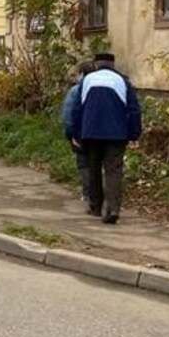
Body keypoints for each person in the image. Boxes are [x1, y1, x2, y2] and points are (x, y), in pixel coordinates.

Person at [66, 52, 141, 225]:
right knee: (113, 170)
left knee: (94, 169)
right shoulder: (123, 81)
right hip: (116, 134)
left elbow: (77, 109)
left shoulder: (87, 80)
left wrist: (75, 134)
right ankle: (113, 208)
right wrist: (134, 134)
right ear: (112, 65)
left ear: (96, 64)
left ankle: (95, 206)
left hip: (91, 132)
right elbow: (133, 109)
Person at [61, 61, 98, 211]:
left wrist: (70, 134)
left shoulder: (76, 90)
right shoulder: (99, 88)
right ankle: (100, 192)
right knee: (97, 162)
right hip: (99, 132)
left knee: (84, 163)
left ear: (82, 74)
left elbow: (68, 114)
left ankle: (88, 193)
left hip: (81, 132)